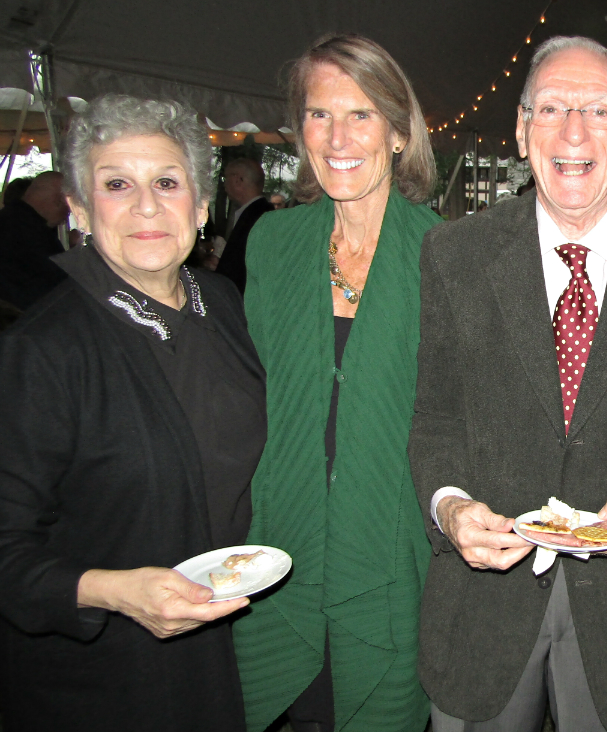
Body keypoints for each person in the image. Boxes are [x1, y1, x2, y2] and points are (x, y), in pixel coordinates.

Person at [409, 35, 607, 732]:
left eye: (599, 112)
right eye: (551, 109)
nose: (574, 133)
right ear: (522, 132)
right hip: (482, 600)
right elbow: (435, 417)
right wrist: (452, 509)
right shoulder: (454, 254)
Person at [0, 94, 266, 731]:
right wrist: (113, 591)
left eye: (167, 182)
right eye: (117, 183)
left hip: (212, 651)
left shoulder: (220, 301)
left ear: (201, 208)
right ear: (81, 210)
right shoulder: (43, 348)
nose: (146, 205)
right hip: (99, 680)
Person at [231, 33, 441, 732]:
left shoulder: (446, 255)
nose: (338, 136)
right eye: (319, 115)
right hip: (281, 551)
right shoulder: (274, 244)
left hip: (388, 552)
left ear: (399, 130)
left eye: (362, 114)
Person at [0, 170, 70, 308]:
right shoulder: (33, 235)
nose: (68, 214)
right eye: (69, 207)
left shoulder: (9, 221)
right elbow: (57, 288)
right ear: (58, 201)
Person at [215, 157, 272, 293]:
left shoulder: (258, 218)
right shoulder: (258, 213)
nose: (224, 185)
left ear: (238, 180)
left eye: (225, 179)